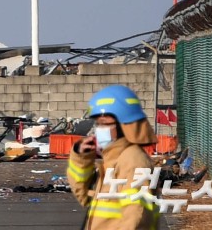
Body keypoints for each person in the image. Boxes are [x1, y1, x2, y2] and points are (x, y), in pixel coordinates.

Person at [67, 85, 160, 230]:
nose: (99, 129)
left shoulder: (134, 162)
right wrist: (82, 159)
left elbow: (136, 217)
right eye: (97, 124)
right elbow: (85, 197)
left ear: (124, 126)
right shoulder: (112, 161)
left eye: (104, 124)